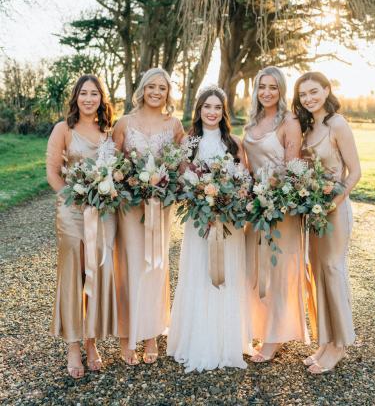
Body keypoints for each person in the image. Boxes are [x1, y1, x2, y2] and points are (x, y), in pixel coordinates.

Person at [167, 86, 254, 372]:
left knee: (226, 274)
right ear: (199, 109)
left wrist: (228, 196)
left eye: (218, 107)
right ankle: (198, 341)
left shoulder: (234, 143)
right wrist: (200, 194)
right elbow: (181, 180)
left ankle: (226, 342)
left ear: (223, 112)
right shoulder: (189, 142)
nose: (212, 112)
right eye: (207, 106)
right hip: (199, 221)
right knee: (199, 272)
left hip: (228, 223)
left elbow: (246, 179)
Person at [46, 74, 117, 378]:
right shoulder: (63, 129)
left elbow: (116, 171)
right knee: (73, 275)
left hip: (101, 214)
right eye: (83, 93)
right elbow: (52, 171)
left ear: (102, 99)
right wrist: (73, 197)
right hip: (72, 214)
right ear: (75, 97)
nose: (89, 99)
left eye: (94, 94)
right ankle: (73, 346)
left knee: (96, 274)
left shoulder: (107, 132)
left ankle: (91, 343)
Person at [113, 67, 184, 365]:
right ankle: (128, 334)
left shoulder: (175, 124)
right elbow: (111, 163)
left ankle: (152, 332)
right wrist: (129, 182)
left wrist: (168, 187)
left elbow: (180, 168)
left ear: (168, 93)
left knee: (155, 264)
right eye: (151, 86)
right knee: (130, 265)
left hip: (159, 206)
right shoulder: (124, 123)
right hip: (130, 207)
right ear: (142, 89)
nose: (157, 92)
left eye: (162, 88)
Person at [292, 71, 361, 374]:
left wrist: (332, 203)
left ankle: (340, 344)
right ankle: (326, 341)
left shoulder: (338, 124)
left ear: (326, 90)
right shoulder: (309, 127)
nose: (308, 98)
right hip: (314, 211)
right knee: (316, 270)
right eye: (303, 94)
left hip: (334, 210)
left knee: (332, 270)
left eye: (313, 92)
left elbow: (355, 172)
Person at [243, 66, 309, 363]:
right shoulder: (253, 122)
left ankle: (275, 337)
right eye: (261, 87)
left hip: (280, 207)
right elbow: (247, 167)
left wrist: (273, 193)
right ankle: (261, 327)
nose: (267, 92)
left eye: (272, 87)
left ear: (281, 90)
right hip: (255, 208)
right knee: (256, 270)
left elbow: (292, 165)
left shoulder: (289, 121)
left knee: (279, 273)